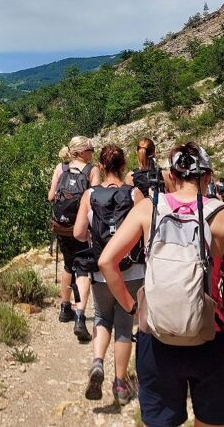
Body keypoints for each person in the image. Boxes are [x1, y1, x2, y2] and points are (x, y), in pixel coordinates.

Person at [99, 142, 224, 427]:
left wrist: (134, 308)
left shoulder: (148, 208)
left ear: (171, 175)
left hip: (156, 336)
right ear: (207, 176)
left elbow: (107, 262)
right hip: (211, 336)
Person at [74, 144, 143, 405]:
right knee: (125, 326)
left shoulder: (89, 195)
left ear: (101, 167)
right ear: (123, 165)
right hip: (133, 269)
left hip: (103, 270)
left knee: (102, 317)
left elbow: (80, 232)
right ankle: (120, 384)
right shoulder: (135, 194)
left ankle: (97, 362)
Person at [48, 136, 100, 342]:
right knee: (84, 270)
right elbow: (94, 200)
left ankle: (64, 308)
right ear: (80, 152)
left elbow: (51, 196)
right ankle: (80, 317)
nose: (92, 152)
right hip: (81, 229)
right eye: (90, 149)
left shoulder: (61, 168)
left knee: (69, 266)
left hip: (61, 227)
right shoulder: (91, 171)